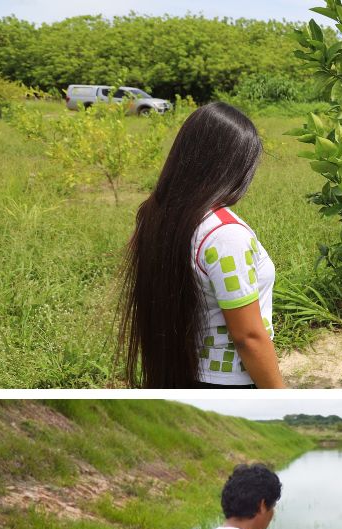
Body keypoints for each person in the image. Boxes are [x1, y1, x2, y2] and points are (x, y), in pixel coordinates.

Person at [119, 102, 284, 388]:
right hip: (231, 382)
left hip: (183, 371)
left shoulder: (158, 213)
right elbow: (248, 337)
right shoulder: (225, 235)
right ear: (232, 168)